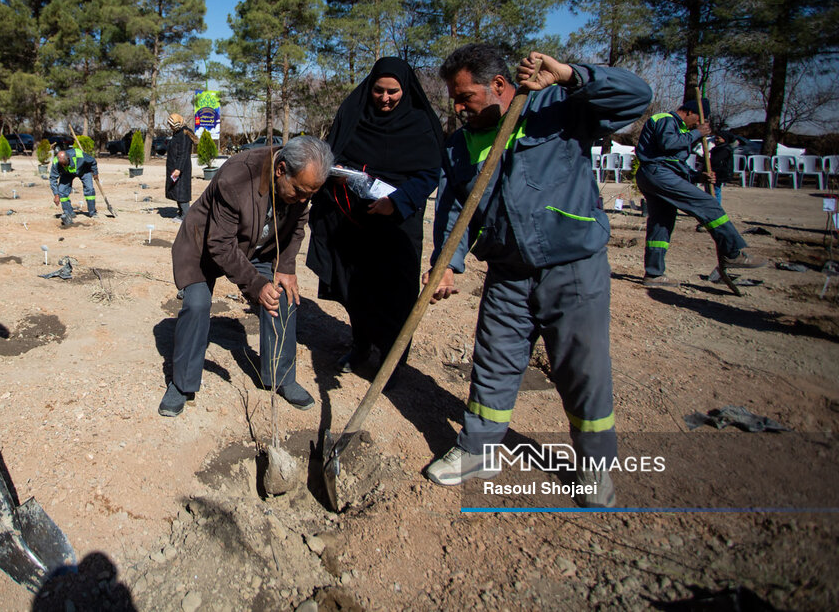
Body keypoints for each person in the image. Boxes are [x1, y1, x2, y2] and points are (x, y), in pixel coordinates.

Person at [423, 45, 652, 508]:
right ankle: (479, 450)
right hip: (507, 272)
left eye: (465, 96)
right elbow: (453, 210)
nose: (458, 107)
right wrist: (447, 261)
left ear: (500, 87)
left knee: (582, 371)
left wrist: (569, 75)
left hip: (572, 267)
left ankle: (594, 468)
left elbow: (636, 97)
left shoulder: (559, 110)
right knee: (493, 363)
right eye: (455, 98)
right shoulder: (459, 144)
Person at [159, 135, 333, 417]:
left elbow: (299, 223)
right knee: (198, 305)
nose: (303, 200)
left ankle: (281, 376)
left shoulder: (302, 183)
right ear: (280, 170)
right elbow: (220, 245)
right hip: (204, 245)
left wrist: (286, 267)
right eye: (299, 192)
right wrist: (255, 284)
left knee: (283, 296)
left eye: (309, 196)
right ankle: (181, 384)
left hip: (256, 247)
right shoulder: (237, 177)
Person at [307, 57, 443, 375]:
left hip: (398, 224)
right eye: (379, 91)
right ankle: (361, 346)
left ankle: (392, 363)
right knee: (357, 289)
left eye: (392, 92)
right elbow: (335, 153)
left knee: (396, 294)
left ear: (405, 90)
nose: (384, 98)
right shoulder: (356, 115)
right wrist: (338, 175)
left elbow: (430, 172)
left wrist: (396, 202)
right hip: (356, 222)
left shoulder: (420, 124)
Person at [636, 99, 765, 286]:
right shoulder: (666, 119)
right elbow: (668, 145)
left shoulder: (680, 129)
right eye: (697, 120)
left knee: (661, 223)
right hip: (657, 173)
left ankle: (654, 274)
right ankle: (733, 252)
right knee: (709, 205)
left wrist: (698, 177)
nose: (697, 125)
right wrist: (698, 133)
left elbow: (675, 163)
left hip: (658, 175)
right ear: (689, 112)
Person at [49, 144, 99, 227]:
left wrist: (95, 173)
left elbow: (93, 161)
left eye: (65, 164)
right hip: (67, 174)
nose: (63, 166)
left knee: (89, 190)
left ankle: (92, 212)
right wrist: (56, 194)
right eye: (61, 165)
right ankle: (69, 213)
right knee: (61, 191)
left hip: (84, 171)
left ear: (68, 158)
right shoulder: (56, 162)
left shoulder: (79, 155)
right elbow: (53, 179)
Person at [164, 113, 195, 220]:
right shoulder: (178, 133)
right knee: (177, 190)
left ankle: (186, 216)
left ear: (177, 124)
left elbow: (183, 153)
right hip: (176, 167)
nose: (170, 127)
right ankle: (181, 213)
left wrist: (178, 169)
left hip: (181, 168)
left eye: (171, 125)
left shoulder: (184, 135)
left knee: (182, 191)